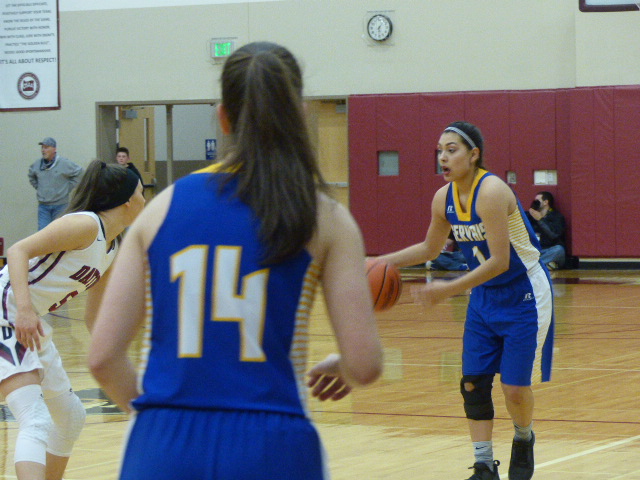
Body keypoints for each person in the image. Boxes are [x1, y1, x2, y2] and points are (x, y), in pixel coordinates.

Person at [88, 41, 383, 480]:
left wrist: (160, 418)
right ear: (300, 115)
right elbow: (365, 364)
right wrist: (342, 366)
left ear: (223, 118)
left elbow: (102, 357)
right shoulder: (326, 216)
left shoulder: (159, 209)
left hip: (163, 445)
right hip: (273, 443)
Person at [377, 121, 554, 480]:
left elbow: (500, 262)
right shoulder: (442, 198)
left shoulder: (491, 191)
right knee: (472, 383)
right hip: (484, 296)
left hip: (523, 292)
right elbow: (429, 248)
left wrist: (447, 288)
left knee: (514, 388)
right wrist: (379, 263)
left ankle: (523, 437)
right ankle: (484, 465)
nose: (443, 157)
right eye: (440, 151)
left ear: (473, 155)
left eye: (451, 149)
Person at [0, 160, 145, 480]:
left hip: (28, 323)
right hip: (7, 314)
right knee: (35, 420)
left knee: (70, 417)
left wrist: (115, 355)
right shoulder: (85, 225)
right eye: (140, 192)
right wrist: (24, 309)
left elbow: (95, 317)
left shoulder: (113, 245)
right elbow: (18, 251)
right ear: (127, 201)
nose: (145, 199)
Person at [28, 137, 84, 230]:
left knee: (60, 232)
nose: (43, 150)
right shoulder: (37, 164)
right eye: (42, 148)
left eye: (46, 147)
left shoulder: (64, 163)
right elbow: (31, 176)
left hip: (61, 206)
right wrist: (40, 188)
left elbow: (80, 172)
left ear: (54, 149)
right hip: (43, 207)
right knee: (43, 233)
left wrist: (68, 188)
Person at [526, 191, 566, 270]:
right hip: (534, 251)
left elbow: (554, 235)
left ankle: (532, 265)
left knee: (559, 250)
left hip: (548, 250)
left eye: (537, 201)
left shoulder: (556, 216)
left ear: (545, 202)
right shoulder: (530, 216)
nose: (535, 203)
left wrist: (540, 220)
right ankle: (547, 265)